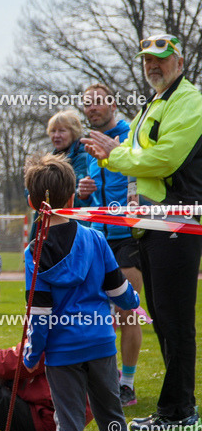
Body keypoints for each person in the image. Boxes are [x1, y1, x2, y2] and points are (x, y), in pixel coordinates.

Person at [83, 34, 202, 431]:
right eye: (148, 60)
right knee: (165, 320)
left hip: (175, 224)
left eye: (161, 59)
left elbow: (165, 157)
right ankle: (178, 408)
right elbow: (139, 158)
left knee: (175, 319)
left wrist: (115, 156)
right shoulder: (154, 103)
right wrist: (118, 160)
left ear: (180, 63)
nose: (153, 65)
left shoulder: (190, 101)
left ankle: (180, 411)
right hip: (150, 226)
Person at [21, 153, 138, 431]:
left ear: (31, 203)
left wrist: (31, 353)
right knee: (111, 413)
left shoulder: (33, 252)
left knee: (68, 419)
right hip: (101, 342)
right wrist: (133, 301)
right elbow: (120, 292)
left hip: (62, 351)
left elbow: (39, 316)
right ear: (73, 198)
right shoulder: (96, 238)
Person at [78, 82, 144, 407]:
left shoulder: (130, 131)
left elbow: (140, 171)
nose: (92, 108)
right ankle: (106, 380)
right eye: (87, 104)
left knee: (127, 310)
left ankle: (127, 384)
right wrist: (83, 190)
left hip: (127, 237)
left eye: (97, 102)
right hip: (97, 237)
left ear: (112, 104)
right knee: (98, 313)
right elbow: (85, 190)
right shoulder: (87, 144)